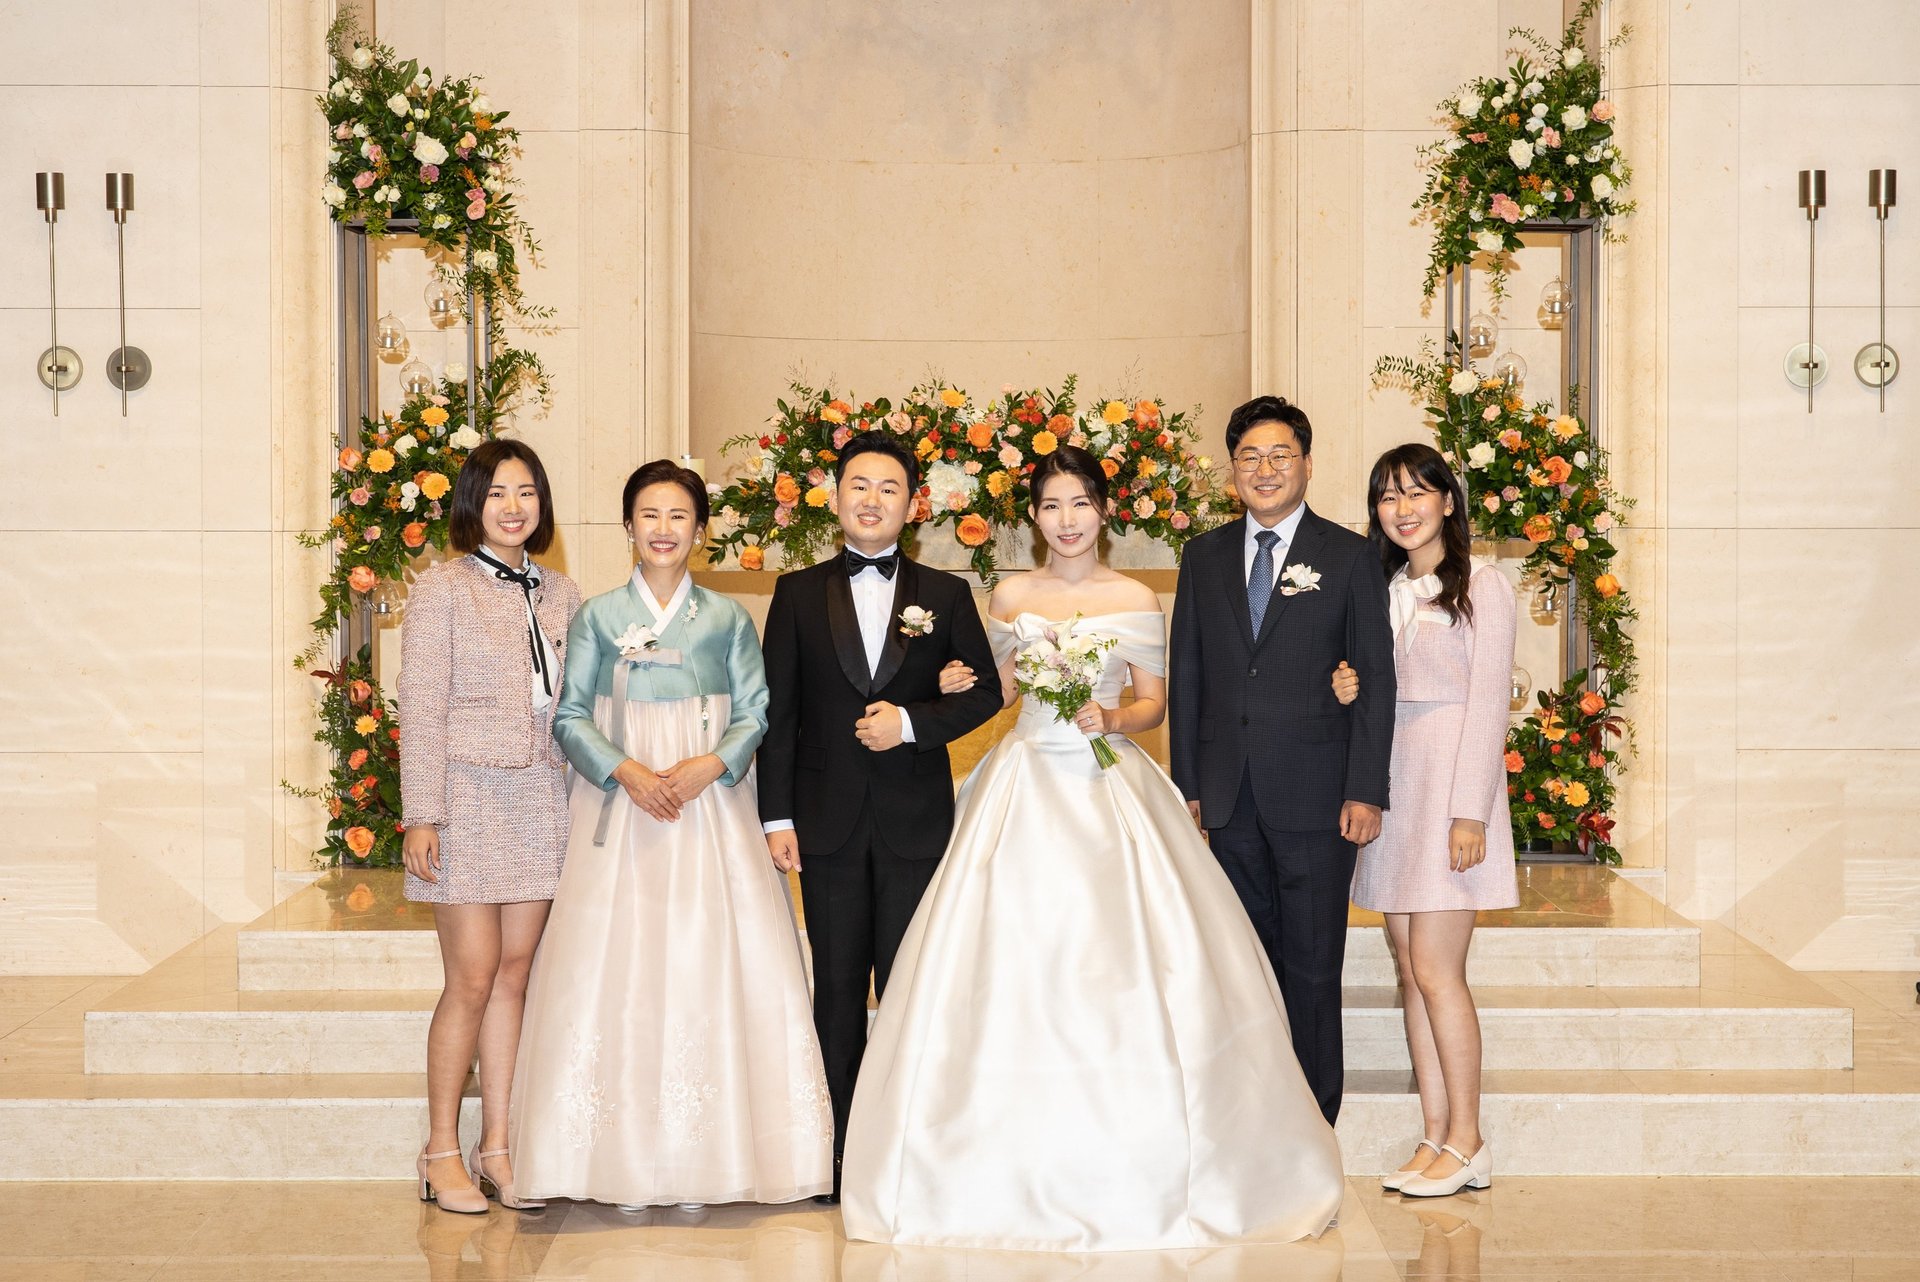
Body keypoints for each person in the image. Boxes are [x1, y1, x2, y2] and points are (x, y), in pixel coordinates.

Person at [840, 446, 1345, 1250]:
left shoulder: (1136, 597)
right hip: (1023, 778)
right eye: (1050, 505)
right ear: (1034, 517)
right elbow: (1000, 691)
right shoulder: (1010, 596)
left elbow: (1153, 704)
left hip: (1108, 781)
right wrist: (941, 693)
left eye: (1079, 503)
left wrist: (1111, 718)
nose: (1066, 520)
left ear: (1103, 511)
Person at [509, 460, 832, 1208]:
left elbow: (756, 709)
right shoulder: (596, 616)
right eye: (649, 515)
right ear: (628, 525)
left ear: (701, 530)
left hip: (709, 804)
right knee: (617, 967)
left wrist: (709, 764)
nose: (663, 529)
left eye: (679, 516)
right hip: (622, 806)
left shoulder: (726, 618)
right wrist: (626, 771)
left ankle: (708, 1160)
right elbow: (569, 715)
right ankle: (612, 1159)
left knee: (706, 955)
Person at [758, 430, 1005, 1202]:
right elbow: (778, 715)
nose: (872, 500)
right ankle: (836, 1154)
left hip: (913, 820)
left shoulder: (946, 594)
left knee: (907, 985)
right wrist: (775, 818)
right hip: (824, 822)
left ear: (912, 504)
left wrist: (912, 722)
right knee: (835, 988)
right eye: (858, 485)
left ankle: (903, 1149)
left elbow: (987, 692)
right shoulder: (797, 593)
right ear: (835, 498)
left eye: (889, 487)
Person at [1166, 394, 1396, 1126]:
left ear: (1307, 464)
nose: (1264, 470)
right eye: (1249, 457)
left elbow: (1374, 677)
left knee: (1312, 966)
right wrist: (1188, 785)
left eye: (1279, 456)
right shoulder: (1202, 557)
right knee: (1243, 967)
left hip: (1317, 795)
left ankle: (1314, 1122)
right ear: (1232, 469)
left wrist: (1366, 788)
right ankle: (1255, 1120)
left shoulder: (1349, 556)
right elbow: (1188, 674)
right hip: (1229, 796)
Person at [399, 439, 582, 1214]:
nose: (514, 507)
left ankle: (498, 1147)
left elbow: (579, 705)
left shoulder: (563, 592)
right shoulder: (442, 588)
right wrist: (422, 813)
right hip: (466, 797)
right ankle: (440, 1150)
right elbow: (421, 705)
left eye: (527, 493)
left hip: (541, 795)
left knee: (516, 975)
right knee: (471, 977)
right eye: (500, 492)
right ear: (474, 502)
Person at [1337, 442, 1517, 1198]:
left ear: (1447, 500)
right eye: (1388, 496)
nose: (1403, 508)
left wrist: (1470, 811)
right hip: (1395, 783)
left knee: (1441, 971)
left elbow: (1489, 703)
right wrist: (1346, 686)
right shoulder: (1380, 589)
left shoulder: (1483, 584)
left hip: (1450, 785)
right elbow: (1373, 683)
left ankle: (1470, 1140)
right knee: (1410, 970)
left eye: (1417, 492)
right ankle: (1435, 1133)